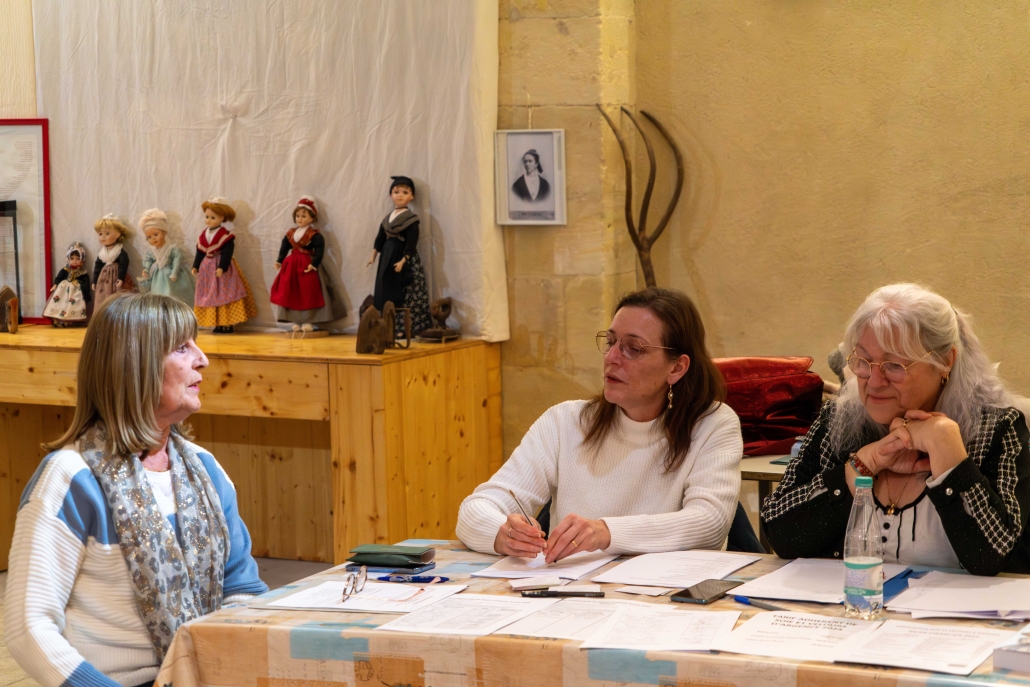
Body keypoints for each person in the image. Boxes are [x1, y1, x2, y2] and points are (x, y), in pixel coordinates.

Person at [5, 293, 267, 687]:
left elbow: (243, 590)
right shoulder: (70, 479)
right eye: (182, 348)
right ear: (136, 366)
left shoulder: (206, 470)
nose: (202, 360)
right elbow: (28, 628)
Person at [456, 287, 742, 561]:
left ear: (677, 367)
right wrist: (503, 534)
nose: (612, 358)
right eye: (610, 342)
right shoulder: (564, 422)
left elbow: (710, 523)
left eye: (633, 348)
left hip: (671, 591)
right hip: (572, 588)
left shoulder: (713, 425)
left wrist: (605, 532)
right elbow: (475, 509)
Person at [762, 283, 1030, 575]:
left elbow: (991, 556)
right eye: (863, 361)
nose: (874, 381)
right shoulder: (839, 421)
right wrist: (862, 465)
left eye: (894, 365)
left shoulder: (995, 429)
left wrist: (947, 449)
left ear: (944, 362)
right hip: (853, 600)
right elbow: (780, 532)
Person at [365, 176, 432, 335]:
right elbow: (380, 238)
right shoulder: (387, 219)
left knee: (404, 289)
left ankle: (406, 327)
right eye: (396, 192)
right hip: (387, 256)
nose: (400, 195)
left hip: (403, 256)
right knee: (386, 288)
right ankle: (388, 325)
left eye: (405, 192)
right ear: (391, 195)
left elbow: (412, 242)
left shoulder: (411, 219)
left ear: (411, 196)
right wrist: (373, 255)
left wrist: (403, 260)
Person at [270, 195, 343, 330]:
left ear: (312, 217)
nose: (300, 219)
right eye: (298, 216)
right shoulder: (291, 233)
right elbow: (284, 247)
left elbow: (320, 250)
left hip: (306, 266)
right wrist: (279, 260)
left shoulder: (314, 235)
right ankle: (295, 321)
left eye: (304, 216)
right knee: (291, 292)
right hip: (291, 267)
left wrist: (314, 264)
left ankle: (309, 320)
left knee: (309, 292)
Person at [191, 196, 258, 334]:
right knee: (210, 294)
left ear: (223, 217)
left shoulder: (225, 236)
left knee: (225, 293)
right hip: (207, 270)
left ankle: (227, 322)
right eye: (207, 217)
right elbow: (200, 251)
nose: (208, 220)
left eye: (213, 217)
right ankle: (216, 322)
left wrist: (222, 266)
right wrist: (196, 265)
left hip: (221, 269)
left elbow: (228, 252)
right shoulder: (203, 235)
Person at [137, 207, 196, 307]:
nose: (153, 238)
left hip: (171, 275)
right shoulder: (152, 251)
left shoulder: (171, 248)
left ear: (164, 232)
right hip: (158, 277)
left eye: (156, 234)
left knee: (173, 294)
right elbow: (149, 260)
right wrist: (146, 269)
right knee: (158, 295)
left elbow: (177, 259)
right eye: (149, 237)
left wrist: (174, 272)